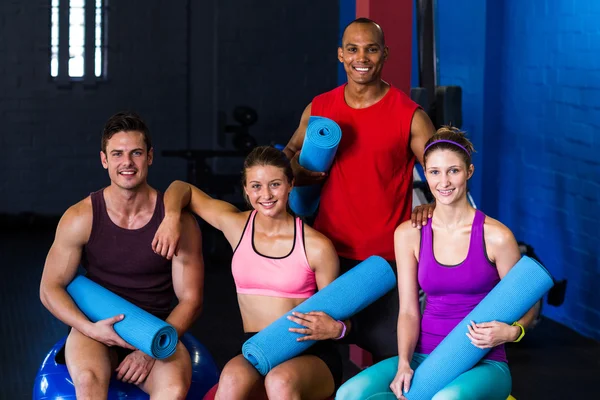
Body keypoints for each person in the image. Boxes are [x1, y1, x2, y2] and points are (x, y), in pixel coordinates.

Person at [335, 127, 540, 400]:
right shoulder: (409, 234)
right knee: (350, 393)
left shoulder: (497, 237)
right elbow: (408, 310)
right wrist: (405, 363)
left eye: (453, 171)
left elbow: (528, 300)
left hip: (484, 361)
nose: (444, 181)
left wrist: (513, 331)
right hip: (423, 357)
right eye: (435, 172)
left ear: (469, 171)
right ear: (425, 173)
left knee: (446, 399)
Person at [282, 17, 436, 361]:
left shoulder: (410, 115)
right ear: (341, 55)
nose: (361, 57)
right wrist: (296, 174)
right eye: (352, 49)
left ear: (385, 54)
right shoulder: (320, 108)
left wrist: (434, 207)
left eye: (371, 49)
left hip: (385, 261)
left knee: (395, 357)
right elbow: (287, 156)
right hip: (326, 256)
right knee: (312, 355)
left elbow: (445, 175)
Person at [152, 146, 346, 399]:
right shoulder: (236, 225)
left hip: (308, 352)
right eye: (256, 186)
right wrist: (171, 218)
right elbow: (181, 187)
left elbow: (340, 315)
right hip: (257, 348)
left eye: (275, 184)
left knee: (280, 382)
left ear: (290, 184)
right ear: (245, 189)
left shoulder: (316, 246)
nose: (265, 194)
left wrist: (338, 329)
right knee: (231, 380)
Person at [39, 112, 204, 400]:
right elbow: (49, 288)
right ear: (104, 160)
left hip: (155, 327)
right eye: (117, 154)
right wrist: (89, 328)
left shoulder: (179, 223)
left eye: (136, 153)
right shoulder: (81, 217)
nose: (126, 163)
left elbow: (191, 299)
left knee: (174, 389)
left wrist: (149, 348)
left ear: (149, 157)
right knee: (88, 382)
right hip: (97, 325)